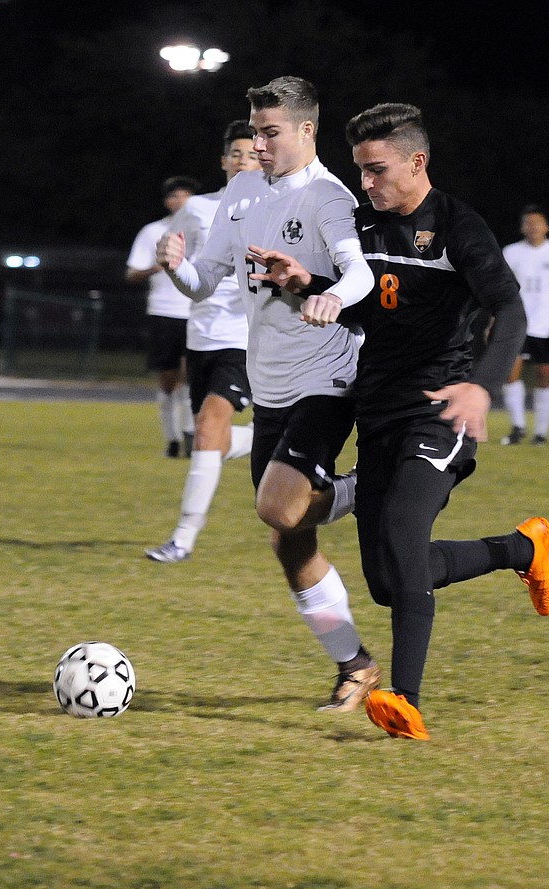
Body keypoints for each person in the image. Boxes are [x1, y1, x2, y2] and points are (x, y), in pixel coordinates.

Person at [247, 102, 549, 741]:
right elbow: (361, 309)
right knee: (392, 581)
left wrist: (481, 386)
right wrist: (305, 284)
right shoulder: (363, 226)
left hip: (439, 412)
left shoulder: (457, 228)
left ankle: (405, 702)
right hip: (378, 413)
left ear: (417, 162)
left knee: (400, 528)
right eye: (361, 171)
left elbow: (510, 307)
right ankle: (521, 548)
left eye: (377, 170)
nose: (366, 184)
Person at [156, 76, 381, 712]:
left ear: (307, 130)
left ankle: (367, 484)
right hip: (272, 383)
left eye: (270, 132)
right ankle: (355, 664)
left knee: (280, 509)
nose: (257, 144)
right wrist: (176, 264)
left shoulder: (329, 196)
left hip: (327, 376)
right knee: (289, 538)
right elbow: (205, 284)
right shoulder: (243, 189)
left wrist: (332, 294)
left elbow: (359, 268)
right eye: (253, 131)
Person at [145, 121, 261, 563]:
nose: (243, 161)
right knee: (210, 439)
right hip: (201, 337)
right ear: (223, 160)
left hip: (247, 340)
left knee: (209, 428)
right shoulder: (196, 211)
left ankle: (182, 538)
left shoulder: (277, 208)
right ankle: (267, 436)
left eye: (251, 154)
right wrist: (171, 263)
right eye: (235, 153)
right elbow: (186, 268)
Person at [127, 175, 202, 457]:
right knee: (168, 380)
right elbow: (132, 272)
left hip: (196, 311)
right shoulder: (152, 232)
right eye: (174, 196)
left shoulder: (204, 228)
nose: (180, 201)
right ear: (166, 201)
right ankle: (171, 438)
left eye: (186, 195)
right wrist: (156, 268)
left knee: (191, 377)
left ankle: (190, 434)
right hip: (163, 312)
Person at [500, 205, 549, 445]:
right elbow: (502, 289)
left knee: (545, 375)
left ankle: (541, 432)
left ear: (546, 226)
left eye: (537, 222)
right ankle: (518, 426)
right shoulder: (511, 252)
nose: (532, 227)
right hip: (517, 324)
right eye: (528, 222)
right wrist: (495, 319)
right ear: (522, 227)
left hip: (546, 326)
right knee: (510, 374)